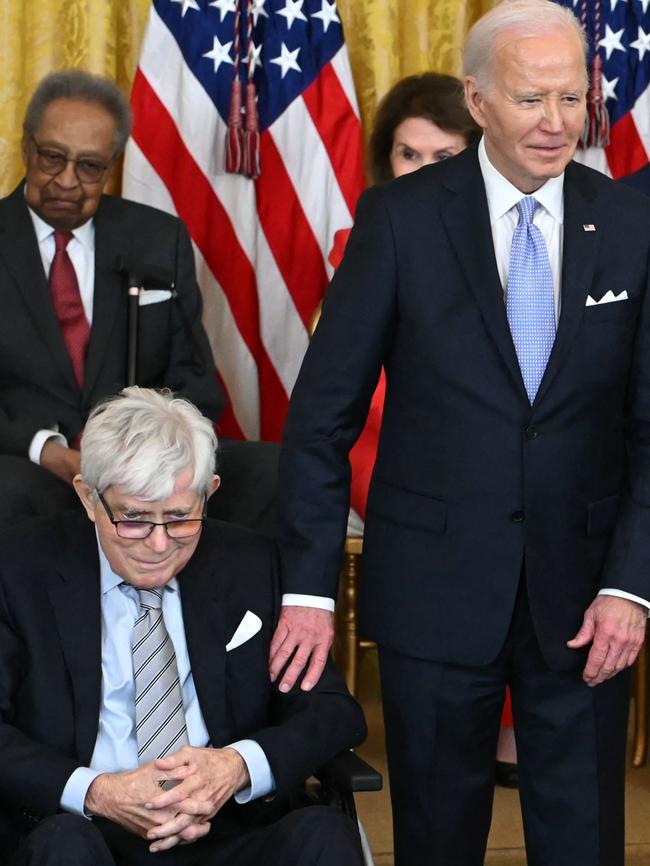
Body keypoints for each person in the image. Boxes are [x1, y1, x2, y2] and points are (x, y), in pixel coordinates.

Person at [271, 1, 650, 864]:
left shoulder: (631, 222)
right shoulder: (400, 219)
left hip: (587, 604)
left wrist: (632, 586)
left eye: (571, 97)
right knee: (438, 838)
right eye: (530, 100)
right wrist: (307, 590)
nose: (557, 124)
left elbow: (649, 425)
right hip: (433, 594)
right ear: (477, 100)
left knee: (583, 842)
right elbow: (322, 417)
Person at [0, 386, 366, 866]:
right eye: (132, 519)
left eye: (179, 518)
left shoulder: (252, 565)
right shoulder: (20, 566)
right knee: (66, 849)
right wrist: (98, 791)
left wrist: (237, 766)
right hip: (87, 832)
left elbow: (333, 712)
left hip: (226, 827)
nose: (158, 545)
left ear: (209, 492)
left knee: (322, 836)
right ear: (88, 498)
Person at [0, 69, 277, 534]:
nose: (67, 180)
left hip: (149, 466)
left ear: (112, 165)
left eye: (89, 166)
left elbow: (195, 381)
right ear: (27, 148)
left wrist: (150, 453)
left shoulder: (156, 239)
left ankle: (260, 610)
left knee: (274, 472)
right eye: (52, 158)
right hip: (29, 462)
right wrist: (46, 449)